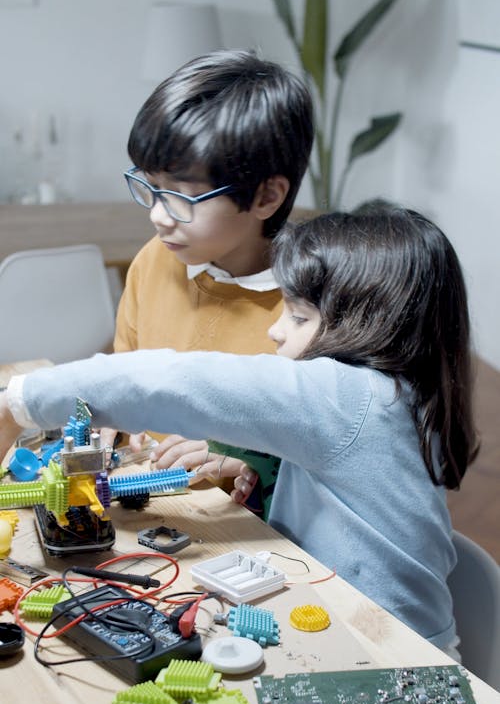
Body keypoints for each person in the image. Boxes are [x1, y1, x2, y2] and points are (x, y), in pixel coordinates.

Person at [0, 205, 478, 655]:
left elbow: (167, 382)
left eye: (297, 316)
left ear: (365, 324)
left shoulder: (344, 397)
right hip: (394, 635)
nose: (275, 330)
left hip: (387, 655)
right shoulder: (408, 391)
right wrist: (265, 467)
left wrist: (20, 402)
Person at [100, 48, 314, 507]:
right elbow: (126, 374)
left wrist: (245, 458)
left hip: (256, 538)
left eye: (181, 196)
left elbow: (326, 461)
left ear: (266, 196)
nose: (158, 216)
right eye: (150, 186)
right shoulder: (155, 260)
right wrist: (110, 412)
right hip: (151, 503)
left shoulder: (310, 312)